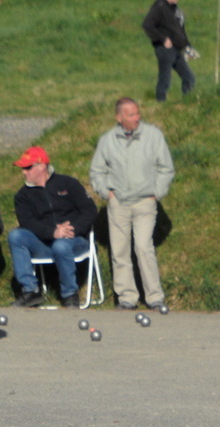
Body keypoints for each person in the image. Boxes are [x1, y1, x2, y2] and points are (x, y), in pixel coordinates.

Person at [90, 98, 174, 310]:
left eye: (137, 113)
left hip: (145, 202)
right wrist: (106, 192)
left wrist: (157, 192)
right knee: (119, 251)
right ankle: (127, 297)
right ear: (119, 117)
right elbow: (97, 171)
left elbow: (166, 167)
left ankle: (154, 296)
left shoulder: (153, 136)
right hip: (119, 203)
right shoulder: (107, 140)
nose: (137, 118)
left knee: (144, 247)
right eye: (131, 115)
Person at [8, 146, 97, 308]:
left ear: (41, 166)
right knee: (16, 236)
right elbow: (28, 222)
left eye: (27, 168)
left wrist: (74, 229)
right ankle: (30, 291)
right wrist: (53, 232)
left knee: (61, 246)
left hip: (75, 240)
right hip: (44, 242)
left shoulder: (69, 184)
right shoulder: (22, 196)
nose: (23, 172)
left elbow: (89, 210)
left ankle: (70, 294)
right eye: (22, 168)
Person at [142, 0, 197, 102]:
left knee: (189, 77)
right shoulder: (160, 6)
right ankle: (160, 101)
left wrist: (187, 46)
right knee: (165, 78)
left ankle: (188, 101)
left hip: (178, 49)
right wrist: (163, 39)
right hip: (165, 49)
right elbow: (147, 24)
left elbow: (180, 30)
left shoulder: (175, 9)